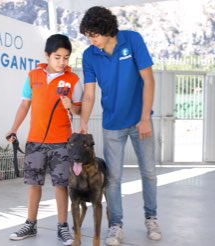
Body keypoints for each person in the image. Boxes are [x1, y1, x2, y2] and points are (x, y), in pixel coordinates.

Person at [77, 6, 161, 246]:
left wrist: (145, 118)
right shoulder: (90, 55)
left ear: (107, 30)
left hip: (139, 121)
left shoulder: (132, 40)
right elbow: (90, 94)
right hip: (112, 125)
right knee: (113, 178)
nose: (91, 41)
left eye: (94, 35)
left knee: (149, 173)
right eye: (87, 36)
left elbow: (148, 80)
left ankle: (151, 218)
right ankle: (116, 225)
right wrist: (83, 121)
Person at [6, 34, 82, 246]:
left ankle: (62, 227)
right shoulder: (33, 76)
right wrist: (13, 129)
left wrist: (72, 107)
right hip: (35, 141)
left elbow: (79, 110)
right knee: (33, 184)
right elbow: (24, 105)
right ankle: (30, 224)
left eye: (66, 58)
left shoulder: (73, 80)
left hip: (62, 142)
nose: (62, 62)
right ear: (47, 55)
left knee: (61, 185)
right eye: (57, 57)